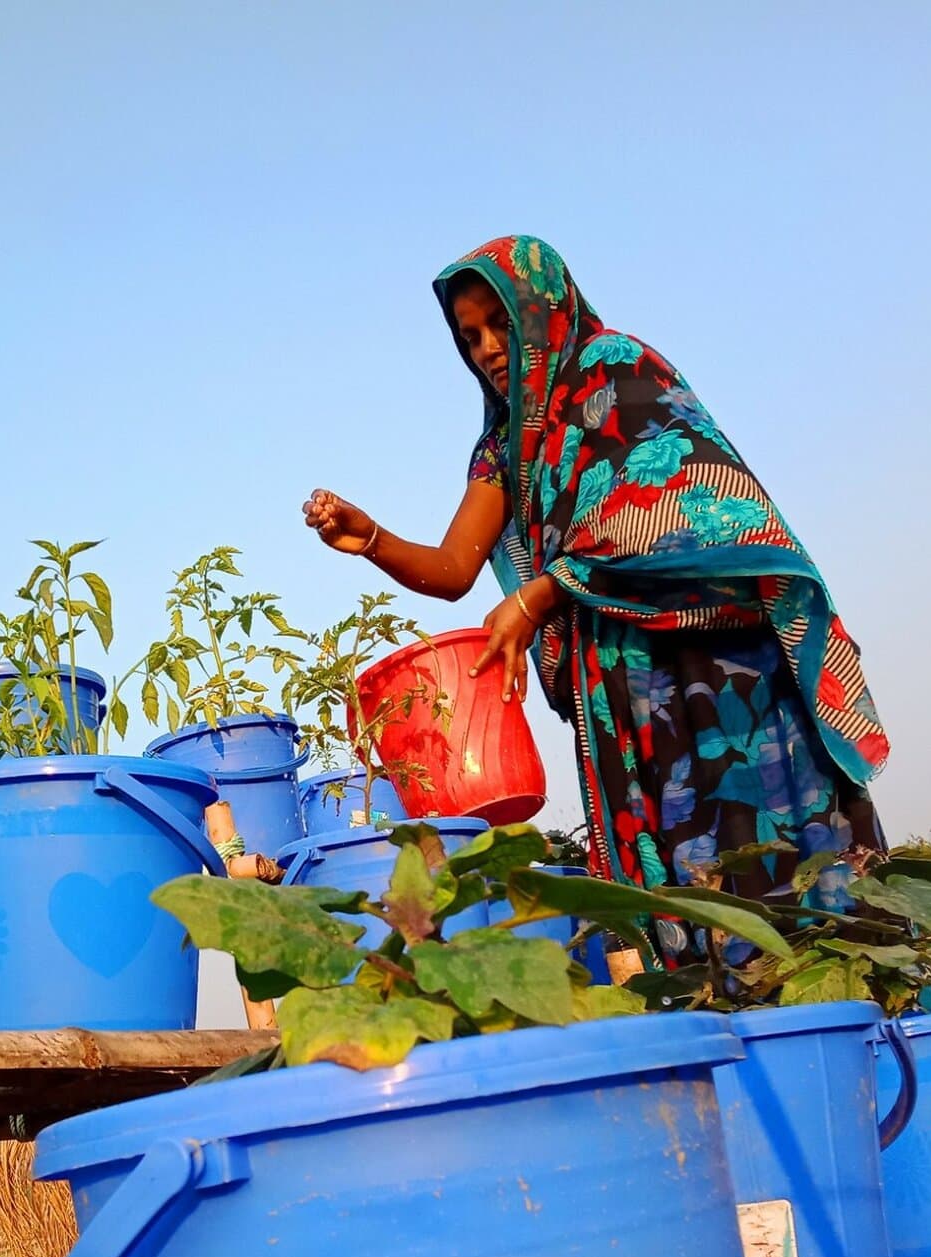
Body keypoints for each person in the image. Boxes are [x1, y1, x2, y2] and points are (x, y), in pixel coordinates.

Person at [305, 235, 887, 961]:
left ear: (541, 310)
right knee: (685, 882)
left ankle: (848, 1025)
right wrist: (373, 539)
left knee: (775, 853)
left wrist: (544, 593)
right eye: (470, 336)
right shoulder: (503, 449)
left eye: (498, 324)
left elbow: (689, 500)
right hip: (628, 694)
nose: (487, 347)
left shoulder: (613, 368)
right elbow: (455, 568)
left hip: (716, 659)